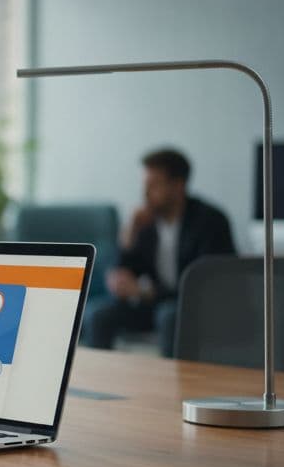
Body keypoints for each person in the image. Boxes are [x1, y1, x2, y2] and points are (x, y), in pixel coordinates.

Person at [83, 148, 235, 357]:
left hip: (193, 307)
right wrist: (128, 237)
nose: (145, 194)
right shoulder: (146, 223)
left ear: (178, 186)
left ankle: (173, 385)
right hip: (151, 303)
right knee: (97, 314)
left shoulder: (210, 221)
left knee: (169, 316)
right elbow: (125, 269)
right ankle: (98, 381)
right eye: (144, 185)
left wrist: (147, 292)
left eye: (153, 185)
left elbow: (208, 286)